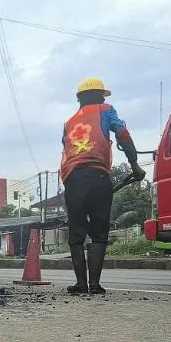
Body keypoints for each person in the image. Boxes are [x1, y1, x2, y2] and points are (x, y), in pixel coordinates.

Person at [60, 78, 145, 295]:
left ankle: (80, 284)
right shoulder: (106, 110)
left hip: (73, 178)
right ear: (100, 96)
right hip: (98, 175)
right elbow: (123, 134)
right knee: (99, 229)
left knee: (76, 229)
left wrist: (69, 185)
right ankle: (95, 284)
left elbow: (66, 151)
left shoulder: (69, 122)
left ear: (79, 100)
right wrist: (134, 165)